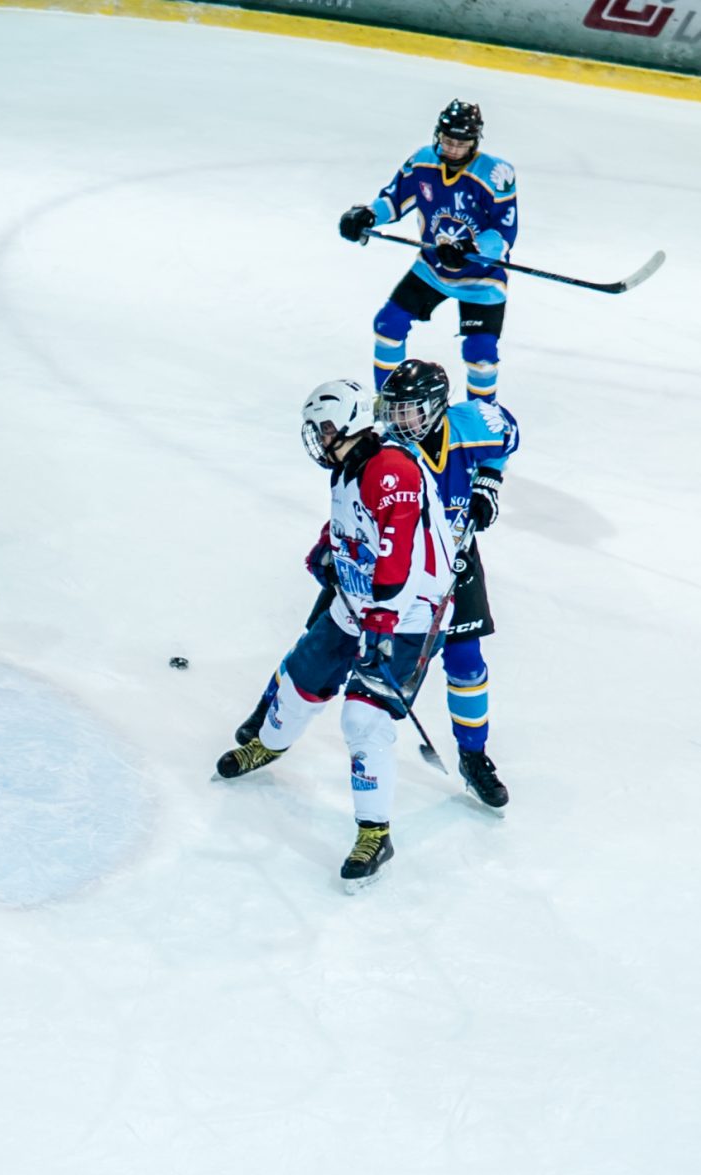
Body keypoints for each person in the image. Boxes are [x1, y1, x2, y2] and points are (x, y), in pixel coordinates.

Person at [233, 359, 516, 809]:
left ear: (437, 407)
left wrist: (488, 482)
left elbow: (508, 434)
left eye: (410, 411)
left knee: (466, 659)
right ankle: (270, 709)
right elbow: (355, 502)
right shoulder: (381, 445)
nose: (400, 421)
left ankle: (473, 755)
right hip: (377, 562)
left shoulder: (471, 424)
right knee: (320, 634)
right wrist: (331, 542)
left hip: (446, 565)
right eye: (394, 409)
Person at [214, 378, 453, 886]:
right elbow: (354, 521)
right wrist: (329, 546)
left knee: (363, 719)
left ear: (350, 422)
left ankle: (375, 833)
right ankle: (269, 744)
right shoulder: (350, 464)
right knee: (304, 674)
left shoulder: (390, 470)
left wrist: (383, 625)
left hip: (407, 615)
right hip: (359, 599)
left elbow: (400, 554)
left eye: (324, 427)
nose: (319, 437)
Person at [338, 100, 518, 404]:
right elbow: (394, 200)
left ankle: (484, 418)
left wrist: (471, 248)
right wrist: (368, 215)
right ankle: (389, 407)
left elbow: (504, 232)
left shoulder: (497, 174)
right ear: (438, 135)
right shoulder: (422, 162)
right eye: (448, 141)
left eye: (461, 143)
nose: (453, 150)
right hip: (432, 269)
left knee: (481, 356)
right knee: (388, 325)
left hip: (482, 280)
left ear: (475, 142)